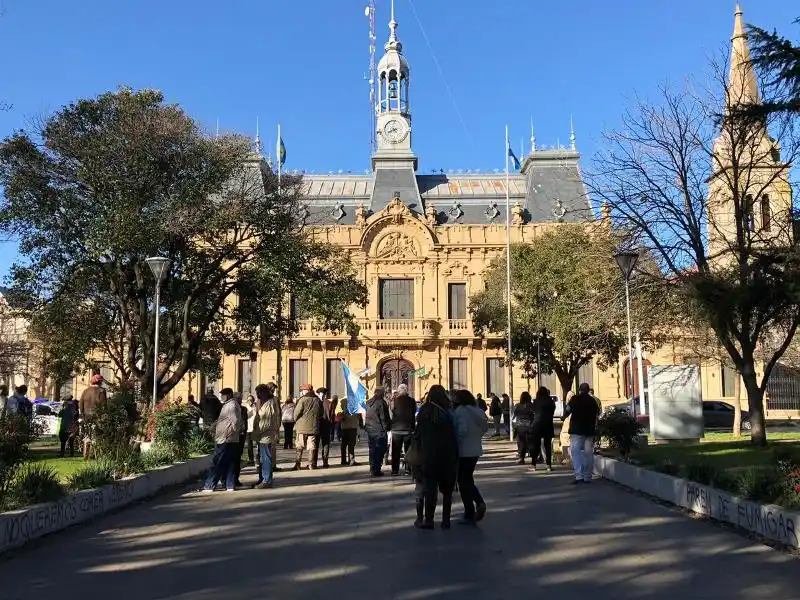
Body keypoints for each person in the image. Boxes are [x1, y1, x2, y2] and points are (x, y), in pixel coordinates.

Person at [410, 385, 458, 529]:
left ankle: (429, 520)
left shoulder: (425, 411)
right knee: (447, 489)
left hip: (429, 454)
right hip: (448, 454)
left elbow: (417, 433)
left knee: (430, 487)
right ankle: (446, 520)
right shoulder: (450, 412)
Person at [453, 389, 488, 524]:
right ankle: (471, 509)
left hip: (463, 451)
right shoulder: (478, 411)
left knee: (463, 481)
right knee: (467, 479)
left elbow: (461, 430)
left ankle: (474, 506)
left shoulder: (460, 411)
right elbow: (484, 428)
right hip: (475, 450)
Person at [202, 388, 242, 492]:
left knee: (217, 461)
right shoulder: (230, 404)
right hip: (229, 438)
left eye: (223, 394)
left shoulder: (231, 405)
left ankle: (210, 485)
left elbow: (236, 421)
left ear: (228, 395)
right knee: (229, 463)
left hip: (226, 438)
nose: (221, 396)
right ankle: (229, 485)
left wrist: (231, 432)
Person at [564, 382, 601, 484]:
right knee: (588, 453)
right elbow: (597, 414)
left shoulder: (575, 399)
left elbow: (567, 410)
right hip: (589, 431)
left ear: (579, 390)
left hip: (576, 431)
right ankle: (588, 476)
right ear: (588, 390)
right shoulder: (593, 401)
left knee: (576, 453)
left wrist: (564, 417)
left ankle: (579, 476)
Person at [252, 383, 281, 489]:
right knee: (262, 458)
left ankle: (267, 480)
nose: (257, 395)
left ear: (263, 393)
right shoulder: (264, 402)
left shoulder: (269, 404)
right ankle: (262, 479)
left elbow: (266, 422)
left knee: (266, 458)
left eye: (258, 393)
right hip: (263, 436)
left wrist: (257, 432)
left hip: (265, 435)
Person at [292, 384, 322, 470]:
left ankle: (297, 465)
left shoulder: (302, 400)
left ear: (306, 391)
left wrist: (295, 420)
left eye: (303, 390)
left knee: (299, 445)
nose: (302, 392)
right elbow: (321, 413)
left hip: (301, 427)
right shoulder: (317, 400)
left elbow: (296, 413)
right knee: (311, 446)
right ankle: (311, 464)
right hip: (313, 427)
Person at [364, 386, 391, 477]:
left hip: (370, 430)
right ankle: (376, 469)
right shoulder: (381, 402)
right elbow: (384, 418)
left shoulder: (368, 402)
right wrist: (386, 428)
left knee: (372, 449)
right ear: (381, 393)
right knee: (380, 449)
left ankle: (372, 467)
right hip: (379, 430)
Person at [390, 383, 416, 476]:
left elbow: (391, 412)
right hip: (408, 429)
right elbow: (414, 412)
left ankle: (394, 470)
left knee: (395, 451)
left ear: (399, 391)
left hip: (396, 430)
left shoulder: (394, 401)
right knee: (408, 450)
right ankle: (408, 470)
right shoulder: (412, 401)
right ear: (407, 391)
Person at [79, 376, 106, 459]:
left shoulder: (85, 391)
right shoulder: (101, 391)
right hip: (97, 417)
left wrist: (83, 414)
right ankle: (95, 455)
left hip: (86, 417)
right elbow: (104, 405)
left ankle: (86, 455)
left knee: (87, 436)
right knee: (97, 437)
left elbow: (80, 405)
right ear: (100, 382)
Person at [531, 386, 556, 472]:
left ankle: (534, 465)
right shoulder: (550, 401)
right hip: (548, 424)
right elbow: (553, 411)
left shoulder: (535, 401)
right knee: (547, 445)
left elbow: (533, 411)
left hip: (537, 425)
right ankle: (548, 465)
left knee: (536, 445)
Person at [230, 393, 248, 488]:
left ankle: (236, 479)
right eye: (238, 398)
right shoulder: (231, 408)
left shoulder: (244, 409)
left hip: (240, 437)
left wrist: (244, 435)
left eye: (240, 399)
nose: (239, 400)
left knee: (237, 459)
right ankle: (231, 479)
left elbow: (245, 424)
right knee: (232, 459)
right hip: (232, 437)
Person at [512, 392, 535, 464]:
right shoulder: (532, 406)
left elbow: (514, 416)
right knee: (531, 442)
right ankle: (534, 457)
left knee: (521, 442)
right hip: (530, 425)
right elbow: (534, 415)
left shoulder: (518, 405)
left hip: (520, 426)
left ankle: (521, 458)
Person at [339, 398, 362, 466]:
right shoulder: (353, 404)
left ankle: (344, 460)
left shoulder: (344, 404)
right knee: (350, 444)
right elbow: (353, 416)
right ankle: (351, 460)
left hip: (345, 427)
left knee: (344, 444)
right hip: (351, 427)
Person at [318, 388, 334, 469]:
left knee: (315, 444)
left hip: (317, 426)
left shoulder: (315, 402)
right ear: (325, 394)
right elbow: (332, 416)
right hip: (326, 425)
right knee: (325, 444)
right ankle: (325, 462)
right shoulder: (329, 403)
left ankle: (313, 462)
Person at [245, 394, 257, 466]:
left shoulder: (256, 408)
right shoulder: (245, 408)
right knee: (250, 445)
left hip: (255, 428)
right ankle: (251, 459)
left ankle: (258, 459)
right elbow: (245, 417)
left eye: (251, 400)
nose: (250, 401)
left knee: (258, 444)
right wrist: (250, 413)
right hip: (248, 429)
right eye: (248, 400)